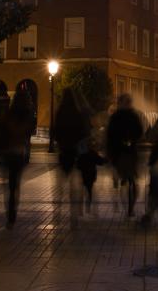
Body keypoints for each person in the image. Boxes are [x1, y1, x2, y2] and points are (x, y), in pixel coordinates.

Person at [52, 88, 92, 226]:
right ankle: (73, 216)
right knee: (74, 185)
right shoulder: (77, 113)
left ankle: (57, 212)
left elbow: (54, 131)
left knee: (60, 183)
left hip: (63, 151)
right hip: (75, 152)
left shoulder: (60, 113)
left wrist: (60, 142)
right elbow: (83, 132)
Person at [0, 89, 35, 226]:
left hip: (7, 152)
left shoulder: (10, 112)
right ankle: (12, 210)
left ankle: (9, 210)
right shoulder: (27, 114)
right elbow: (28, 133)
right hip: (19, 152)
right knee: (15, 184)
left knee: (8, 184)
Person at [107, 93, 144, 216]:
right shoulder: (125, 116)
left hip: (124, 152)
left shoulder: (119, 116)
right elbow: (139, 132)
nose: (127, 104)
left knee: (129, 180)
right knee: (129, 180)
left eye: (128, 102)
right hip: (124, 152)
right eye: (125, 102)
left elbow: (110, 135)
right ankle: (129, 207)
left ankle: (130, 207)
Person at [77, 137, 106, 213]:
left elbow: (78, 165)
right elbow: (100, 161)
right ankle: (88, 205)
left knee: (84, 188)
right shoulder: (93, 153)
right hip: (91, 173)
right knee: (89, 189)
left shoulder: (82, 154)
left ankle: (81, 207)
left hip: (85, 173)